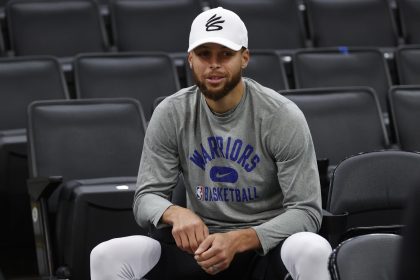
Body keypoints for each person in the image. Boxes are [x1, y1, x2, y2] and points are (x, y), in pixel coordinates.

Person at [90, 7, 332, 280]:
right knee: (105, 255)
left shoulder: (281, 116)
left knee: (313, 249)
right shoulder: (172, 113)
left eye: (225, 54)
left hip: (265, 249)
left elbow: (307, 212)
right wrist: (173, 212)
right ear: (190, 59)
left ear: (244, 58)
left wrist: (242, 239)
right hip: (200, 250)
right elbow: (145, 198)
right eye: (205, 54)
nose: (214, 64)